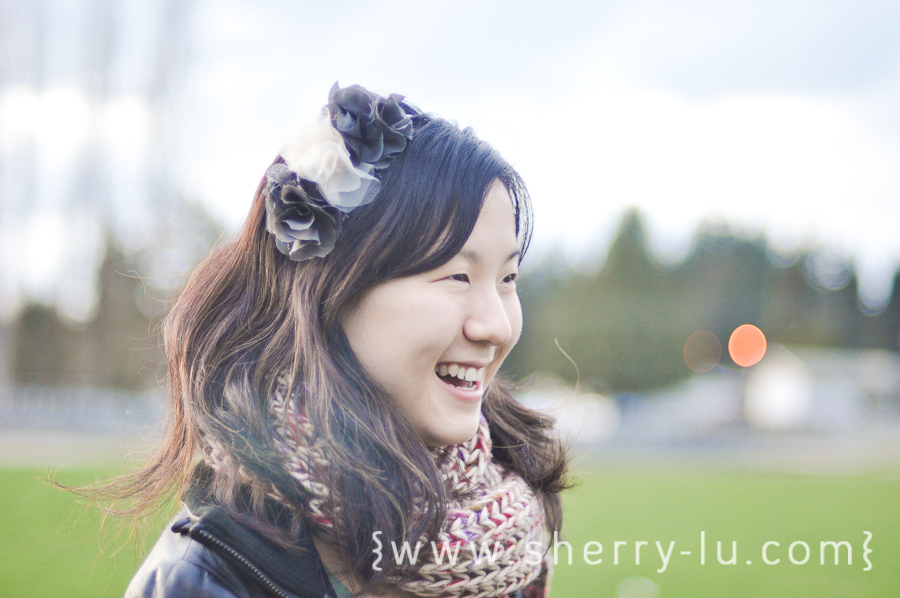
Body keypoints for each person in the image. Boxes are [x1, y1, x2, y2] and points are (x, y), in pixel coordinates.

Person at [121, 83, 569, 598]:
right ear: (331, 293)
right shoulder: (204, 583)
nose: (497, 326)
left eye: (508, 279)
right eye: (456, 276)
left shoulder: (503, 541)